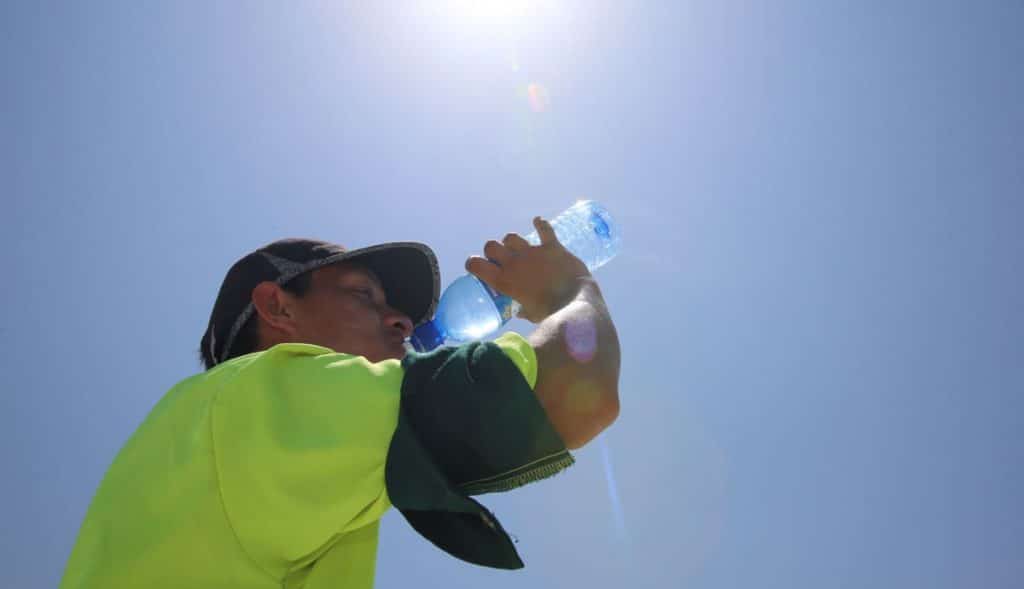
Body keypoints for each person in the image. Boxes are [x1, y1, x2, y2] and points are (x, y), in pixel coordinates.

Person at [60, 216, 621, 588]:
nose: (404, 321)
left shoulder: (209, 434)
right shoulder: (269, 395)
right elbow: (574, 393)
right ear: (278, 307)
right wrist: (570, 288)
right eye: (363, 296)